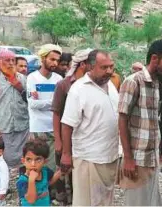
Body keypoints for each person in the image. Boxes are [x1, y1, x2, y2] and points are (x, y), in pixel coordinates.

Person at [118, 39, 162, 206]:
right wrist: (128, 158)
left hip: (153, 158)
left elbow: (158, 120)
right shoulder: (133, 81)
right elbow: (122, 119)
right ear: (154, 59)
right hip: (137, 159)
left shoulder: (160, 84)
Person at [60, 50, 119, 206]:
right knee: (86, 202)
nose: (109, 71)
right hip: (88, 158)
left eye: (111, 67)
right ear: (90, 67)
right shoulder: (79, 89)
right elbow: (66, 124)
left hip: (110, 155)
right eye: (104, 67)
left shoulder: (110, 85)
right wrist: (66, 154)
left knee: (104, 201)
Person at [51, 48, 93, 205]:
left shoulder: (93, 85)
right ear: (83, 64)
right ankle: (63, 199)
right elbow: (56, 114)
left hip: (84, 138)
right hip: (66, 136)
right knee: (64, 171)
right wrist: (58, 140)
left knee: (80, 174)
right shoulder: (64, 85)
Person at [0, 49, 29, 168]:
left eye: (13, 60)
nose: (10, 63)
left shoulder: (23, 78)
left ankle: (22, 182)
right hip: (3, 125)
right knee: (3, 158)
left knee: (24, 157)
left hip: (23, 124)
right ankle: (4, 184)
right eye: (7, 60)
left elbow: (29, 100)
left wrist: (18, 86)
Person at [27, 44, 63, 172]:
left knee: (52, 165)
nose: (55, 63)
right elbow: (32, 104)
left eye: (57, 60)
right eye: (52, 59)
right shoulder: (32, 78)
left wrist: (43, 102)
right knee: (36, 165)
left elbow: (60, 104)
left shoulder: (58, 79)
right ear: (43, 59)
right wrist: (54, 101)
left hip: (54, 128)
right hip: (38, 128)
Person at [16, 140, 61, 206]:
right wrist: (31, 181)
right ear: (23, 161)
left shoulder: (45, 171)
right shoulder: (22, 181)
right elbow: (31, 200)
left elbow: (49, 182)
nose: (33, 164)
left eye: (38, 159)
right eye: (29, 159)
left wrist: (61, 171)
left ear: (45, 161)